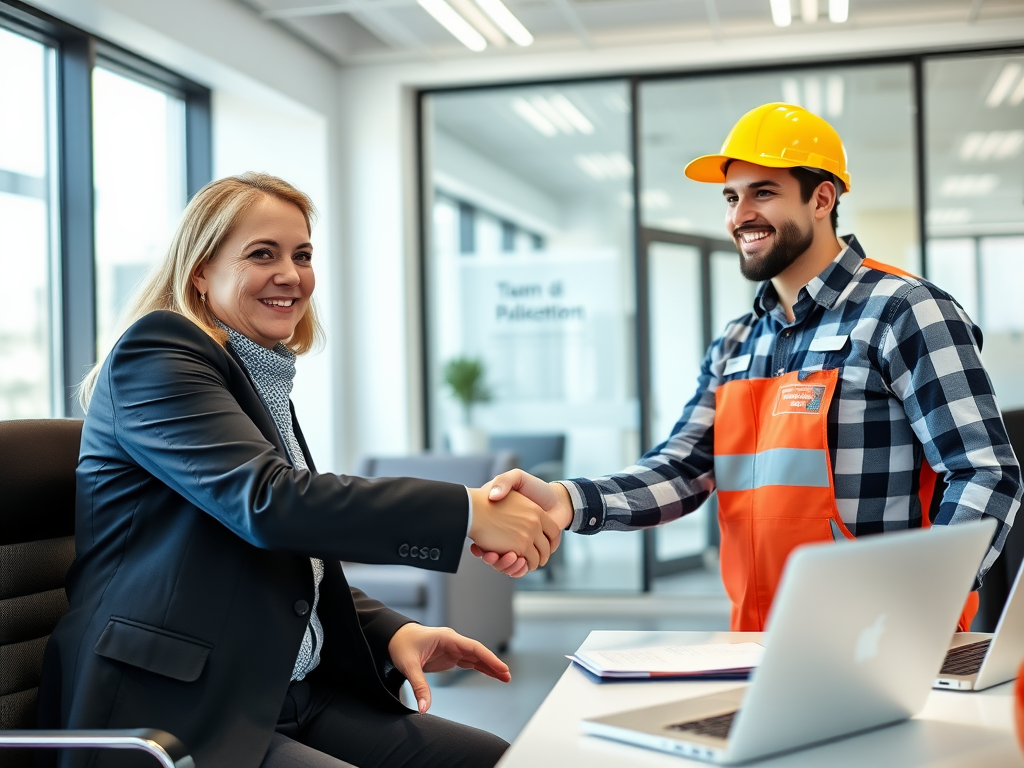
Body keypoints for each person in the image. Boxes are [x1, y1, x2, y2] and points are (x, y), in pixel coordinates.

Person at [38, 172, 561, 768]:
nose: (291, 274)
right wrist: (466, 512)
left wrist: (389, 631)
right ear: (201, 272)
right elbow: (271, 504)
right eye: (263, 254)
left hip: (285, 689)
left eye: (303, 254)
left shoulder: (259, 380)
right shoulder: (156, 355)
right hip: (174, 709)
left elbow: (288, 560)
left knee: (487, 759)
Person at [478, 103, 1022, 633]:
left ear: (821, 198)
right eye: (732, 197)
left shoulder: (904, 311)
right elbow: (682, 469)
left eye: (764, 192)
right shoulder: (736, 342)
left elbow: (985, 471)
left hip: (884, 636)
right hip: (757, 638)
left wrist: (919, 602)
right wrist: (568, 501)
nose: (740, 216)